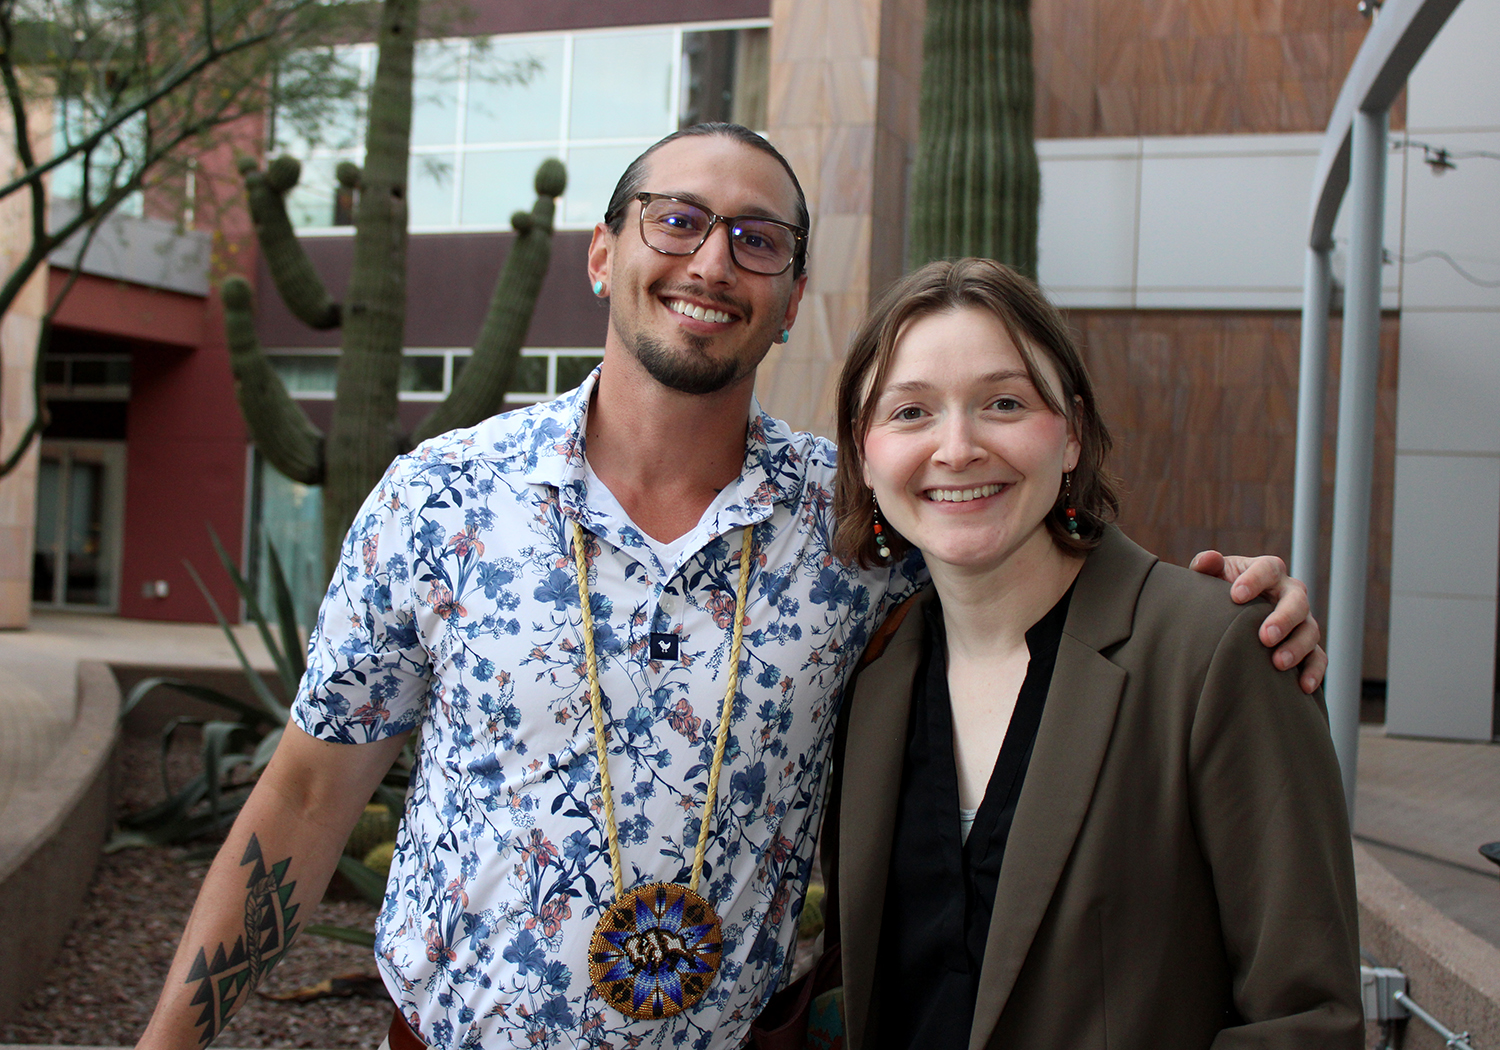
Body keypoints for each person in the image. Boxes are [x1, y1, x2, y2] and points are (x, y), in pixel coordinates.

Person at [135, 126, 1326, 1050]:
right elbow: (304, 800)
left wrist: (1231, 605)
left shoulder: (854, 527)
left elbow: (1013, 538)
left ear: (792, 299)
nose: (712, 260)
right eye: (677, 220)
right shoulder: (439, 499)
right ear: (603, 253)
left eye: (758, 239)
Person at [823, 258, 1362, 1050]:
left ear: (1072, 433)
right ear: (864, 455)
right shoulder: (869, 678)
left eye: (1005, 403)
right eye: (911, 412)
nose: (958, 448)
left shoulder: (1215, 652)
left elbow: (1307, 1019)